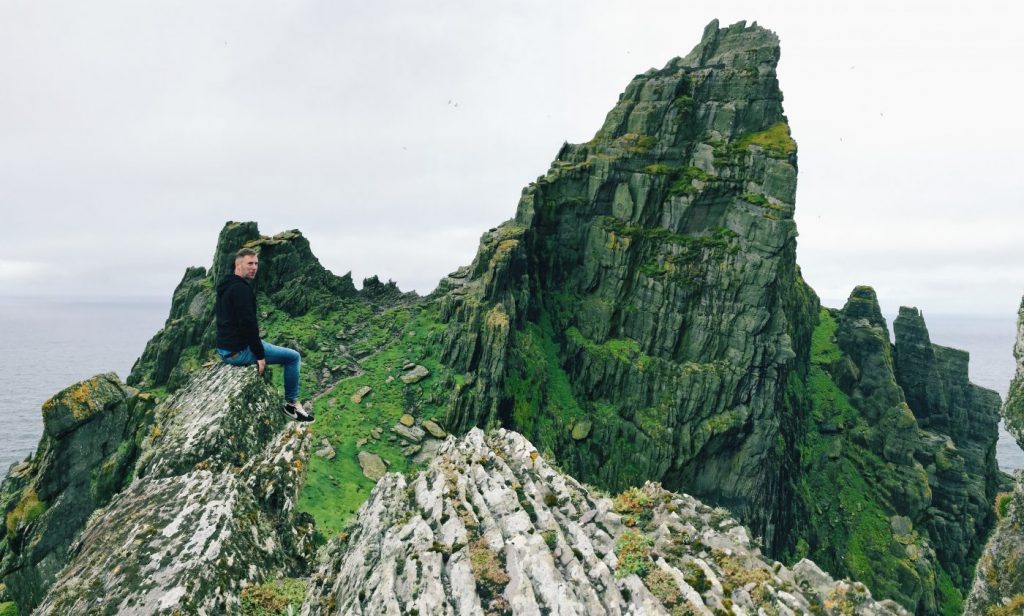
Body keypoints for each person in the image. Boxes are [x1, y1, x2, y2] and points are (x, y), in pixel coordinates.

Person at [214, 248, 313, 422]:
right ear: (238, 265)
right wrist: (260, 355)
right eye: (250, 263)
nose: (254, 267)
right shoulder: (241, 290)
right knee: (293, 357)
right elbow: (248, 325)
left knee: (264, 343)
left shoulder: (226, 285)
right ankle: (291, 405)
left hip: (225, 349)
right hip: (238, 352)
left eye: (256, 263)